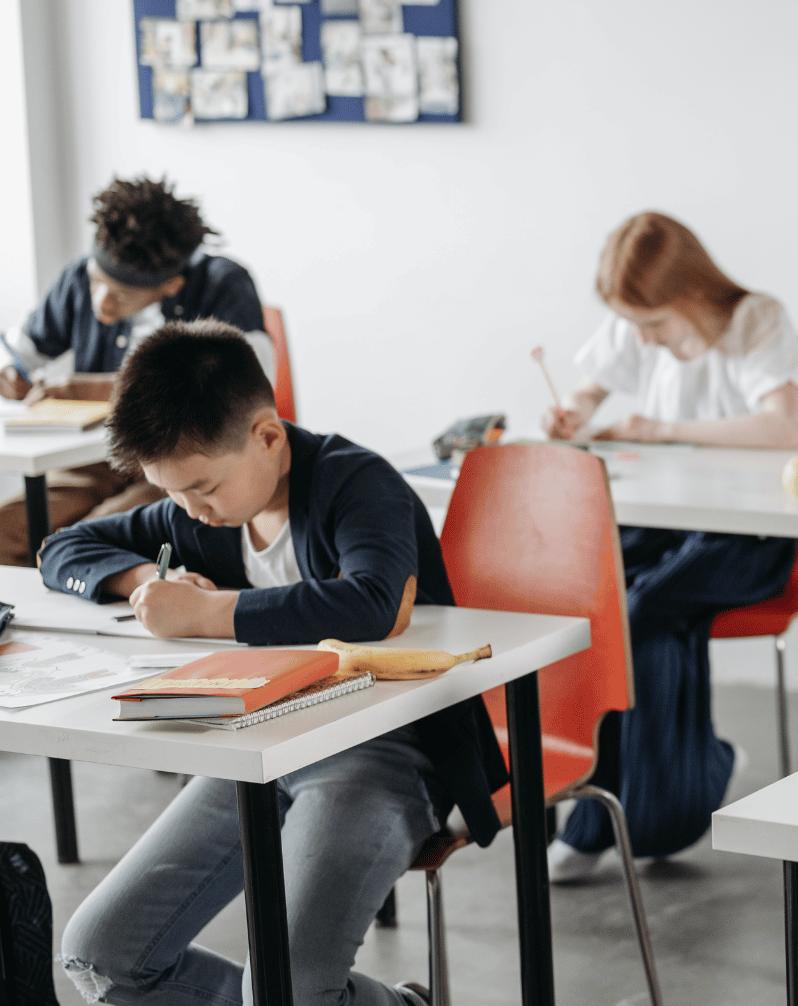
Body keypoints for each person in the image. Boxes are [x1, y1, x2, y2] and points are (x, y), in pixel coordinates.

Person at [42, 320, 504, 1006]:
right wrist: (142, 579)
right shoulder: (198, 512)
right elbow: (63, 549)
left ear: (267, 436)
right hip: (256, 750)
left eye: (202, 487)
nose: (190, 512)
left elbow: (373, 602)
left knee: (286, 989)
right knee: (103, 955)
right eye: (172, 494)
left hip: (385, 750)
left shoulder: (356, 482)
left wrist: (209, 614)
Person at [540, 211, 798, 882]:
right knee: (597, 603)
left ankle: (609, 816)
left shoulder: (757, 320)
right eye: (634, 325)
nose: (643, 338)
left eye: (654, 324)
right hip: (665, 525)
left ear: (691, 290)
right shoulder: (640, 322)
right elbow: (589, 387)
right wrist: (572, 410)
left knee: (643, 609)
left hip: (752, 538)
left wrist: (664, 430)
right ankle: (682, 780)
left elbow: (785, 425)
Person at [0, 176, 273, 565]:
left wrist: (87, 389)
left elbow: (251, 387)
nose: (102, 304)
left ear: (170, 285)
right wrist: (11, 370)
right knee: (7, 530)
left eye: (122, 294)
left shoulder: (223, 285)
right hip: (96, 460)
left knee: (81, 543)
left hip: (179, 464)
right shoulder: (77, 277)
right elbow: (18, 348)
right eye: (97, 282)